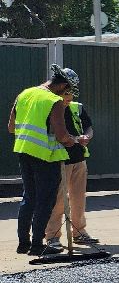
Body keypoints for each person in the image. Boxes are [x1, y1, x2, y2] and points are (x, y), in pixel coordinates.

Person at [8, 66, 88, 257]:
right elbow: (62, 136)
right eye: (67, 89)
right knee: (45, 201)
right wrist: (75, 140)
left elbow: (11, 127)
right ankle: (37, 246)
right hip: (45, 157)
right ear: (62, 85)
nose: (67, 94)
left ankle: (23, 243)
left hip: (23, 152)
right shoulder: (55, 101)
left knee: (29, 197)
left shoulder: (25, 94)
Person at [44, 88, 98, 246]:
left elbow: (88, 126)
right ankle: (52, 236)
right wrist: (75, 139)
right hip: (60, 159)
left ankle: (80, 232)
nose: (69, 98)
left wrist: (88, 136)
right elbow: (57, 135)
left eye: (70, 94)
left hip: (78, 159)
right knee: (58, 200)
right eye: (65, 95)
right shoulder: (52, 108)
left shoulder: (77, 107)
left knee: (78, 198)